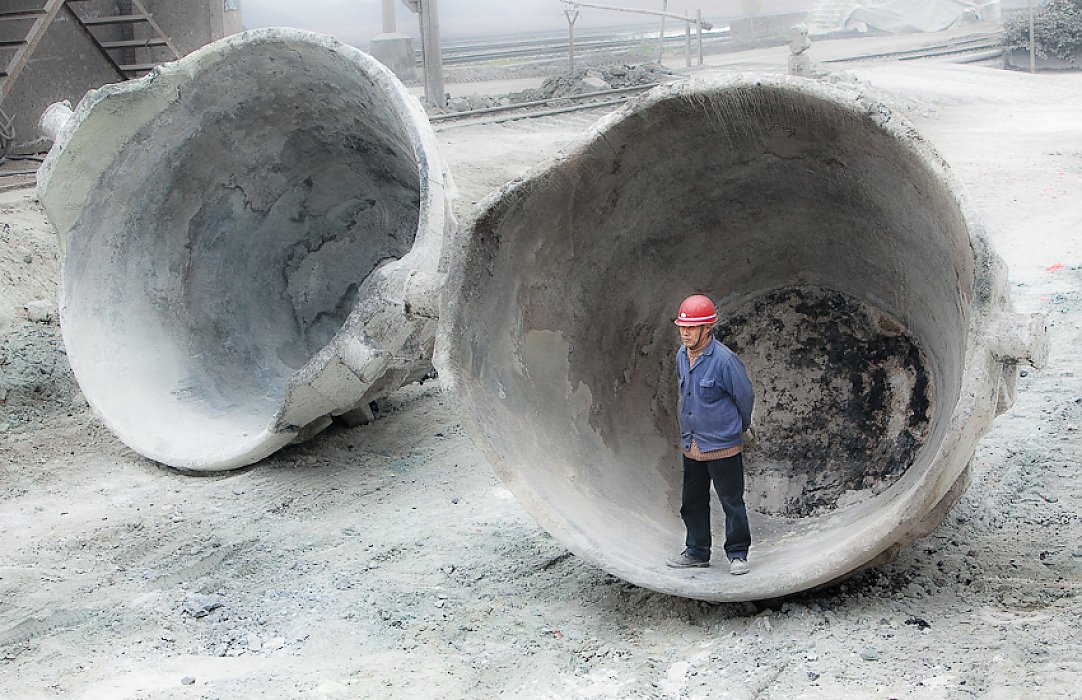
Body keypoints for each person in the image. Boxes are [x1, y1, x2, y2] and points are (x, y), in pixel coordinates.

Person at [666, 294, 755, 575]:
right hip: (693, 443)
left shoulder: (725, 360)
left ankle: (737, 554)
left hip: (722, 444)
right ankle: (697, 550)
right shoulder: (682, 356)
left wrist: (739, 429)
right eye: (682, 327)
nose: (685, 333)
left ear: (707, 328)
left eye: (691, 328)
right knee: (692, 501)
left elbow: (745, 396)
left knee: (731, 501)